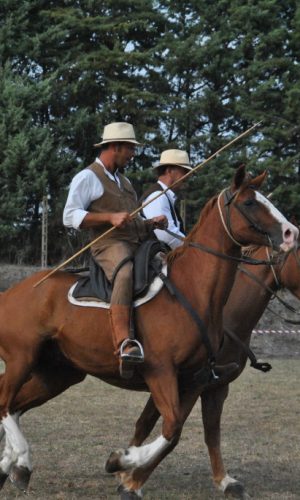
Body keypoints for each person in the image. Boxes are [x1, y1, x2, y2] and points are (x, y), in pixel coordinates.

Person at [63, 122, 167, 377]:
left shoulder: (125, 181)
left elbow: (129, 219)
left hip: (136, 241)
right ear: (116, 147)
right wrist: (108, 218)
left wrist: (149, 223)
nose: (132, 154)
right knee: (125, 271)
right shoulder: (87, 177)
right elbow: (69, 216)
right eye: (130, 149)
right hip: (107, 245)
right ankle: (124, 342)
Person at [140, 149, 192, 249]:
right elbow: (166, 236)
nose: (187, 176)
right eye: (184, 171)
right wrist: (192, 249)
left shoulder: (163, 195)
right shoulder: (158, 196)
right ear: (169, 171)